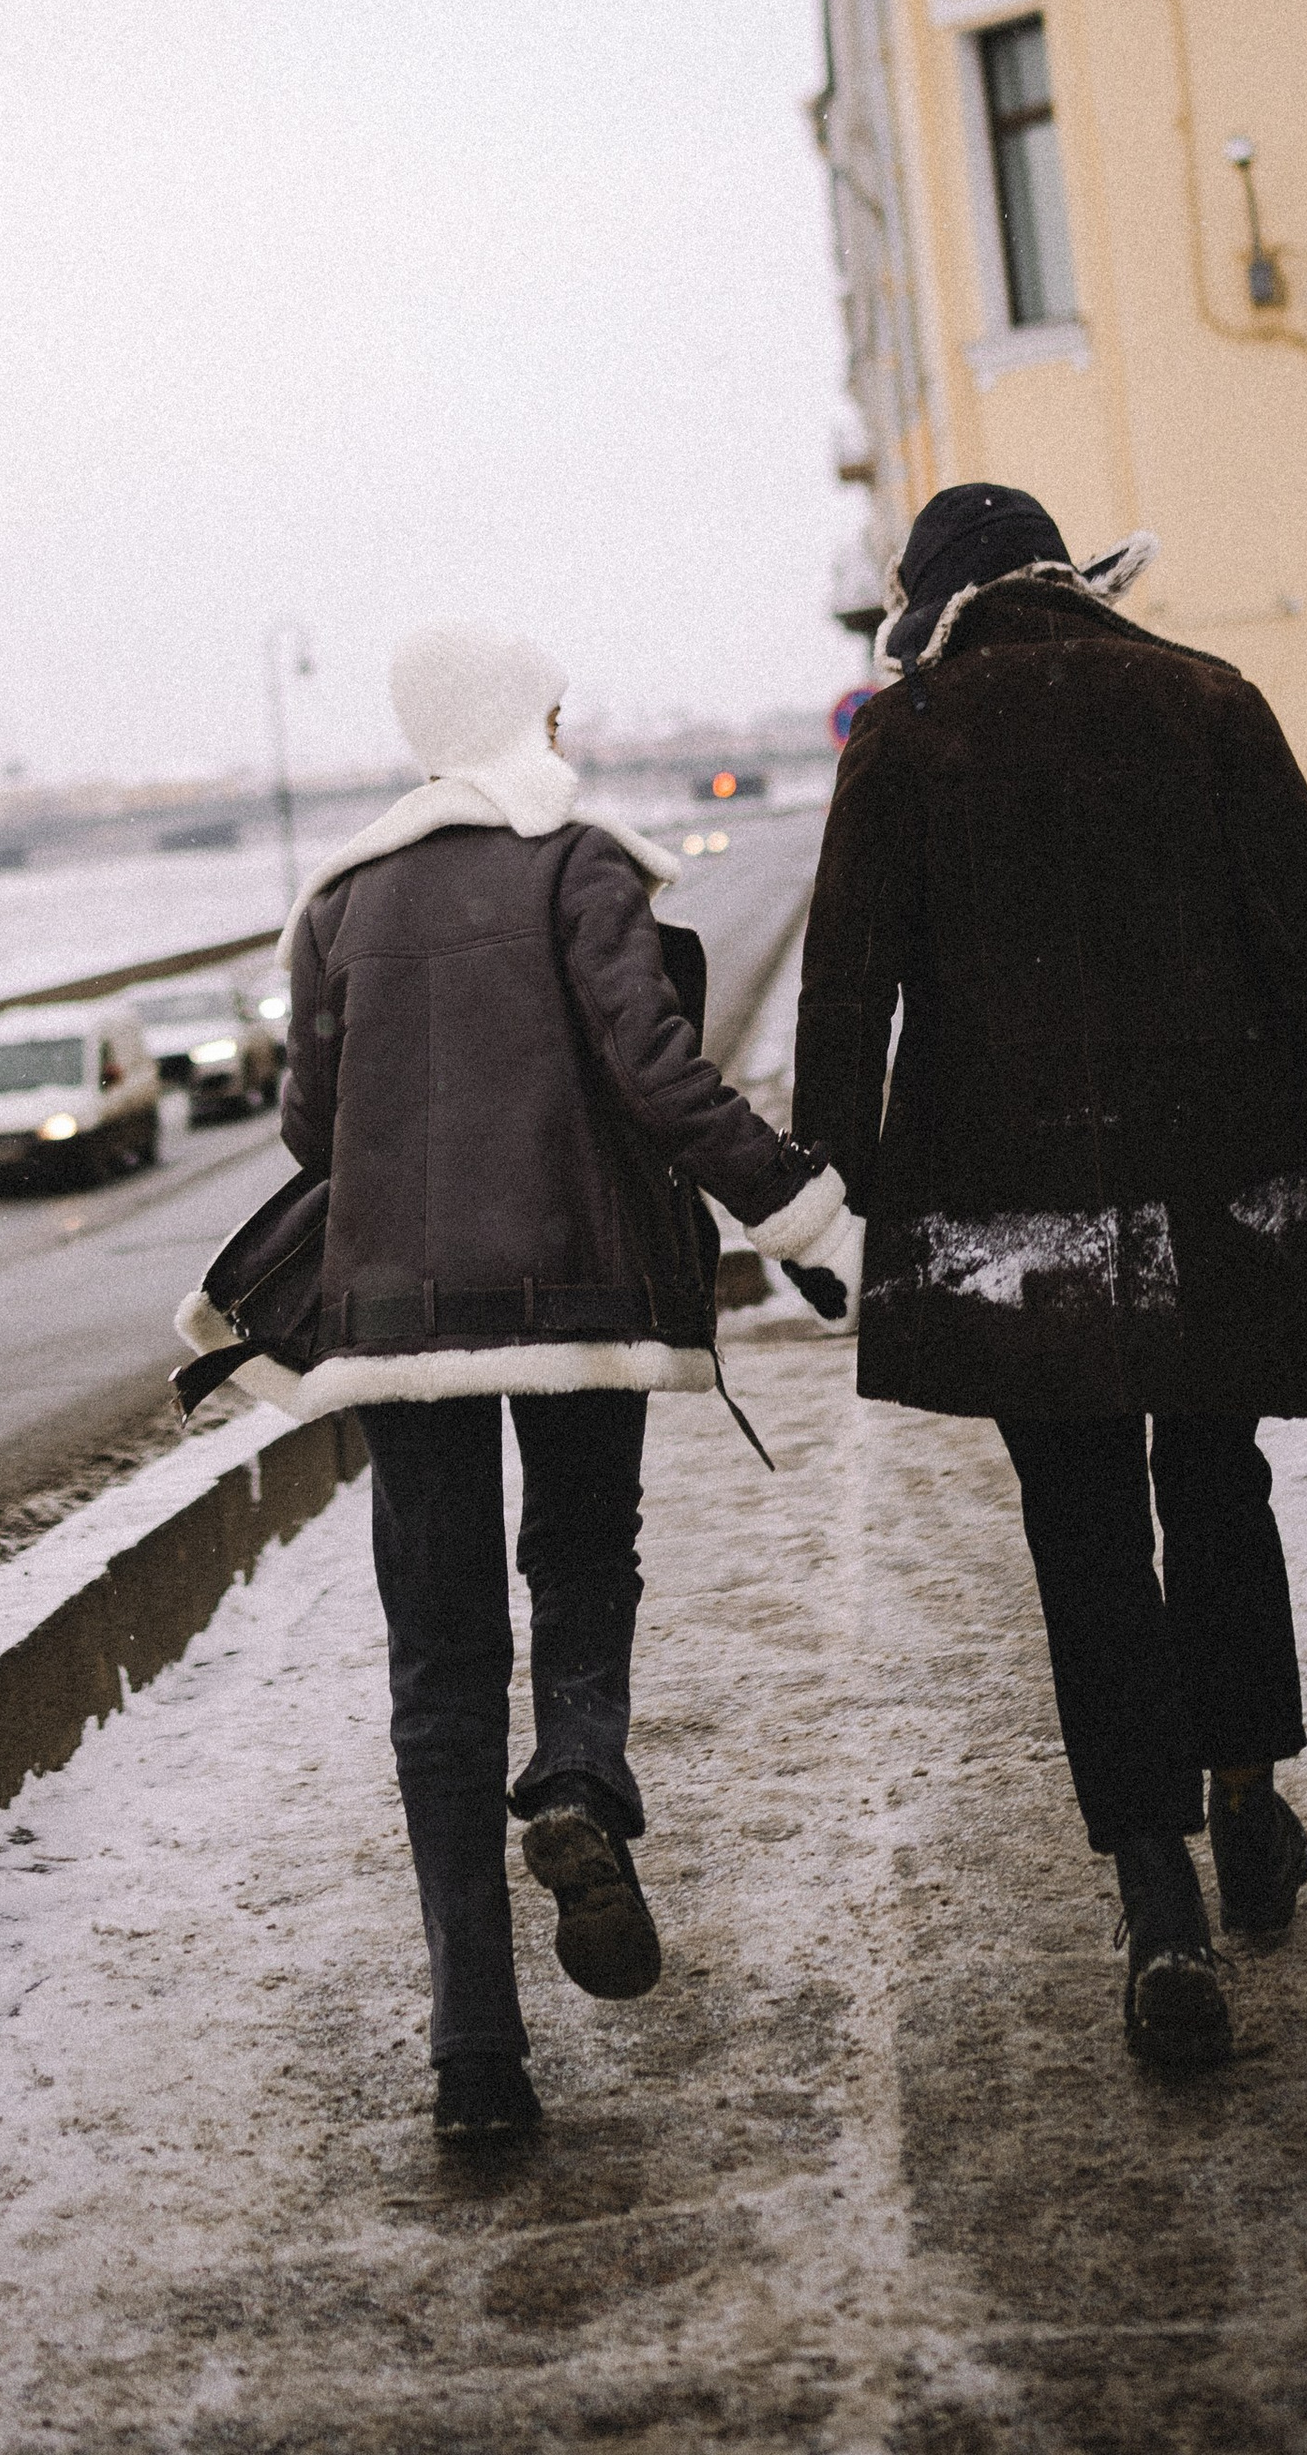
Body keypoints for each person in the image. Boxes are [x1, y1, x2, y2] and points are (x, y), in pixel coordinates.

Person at [791, 483, 1307, 2071]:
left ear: (935, 610)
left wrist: (824, 1194)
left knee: (1080, 1530)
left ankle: (1157, 1900)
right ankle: (1250, 1804)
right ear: (1066, 579)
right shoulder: (1207, 702)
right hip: (1223, 1198)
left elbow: (847, 995)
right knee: (1214, 1481)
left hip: (1013, 1225)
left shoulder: (905, 741)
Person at [177, 621, 860, 2140]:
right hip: (579, 1289)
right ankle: (575, 1783)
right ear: (514, 719)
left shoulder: (339, 902)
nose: (562, 729)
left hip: (393, 1321)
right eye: (550, 707)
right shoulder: (579, 867)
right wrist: (807, 1218)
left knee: (437, 1662)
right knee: (581, 1557)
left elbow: (312, 1134)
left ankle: (474, 2052)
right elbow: (660, 1075)